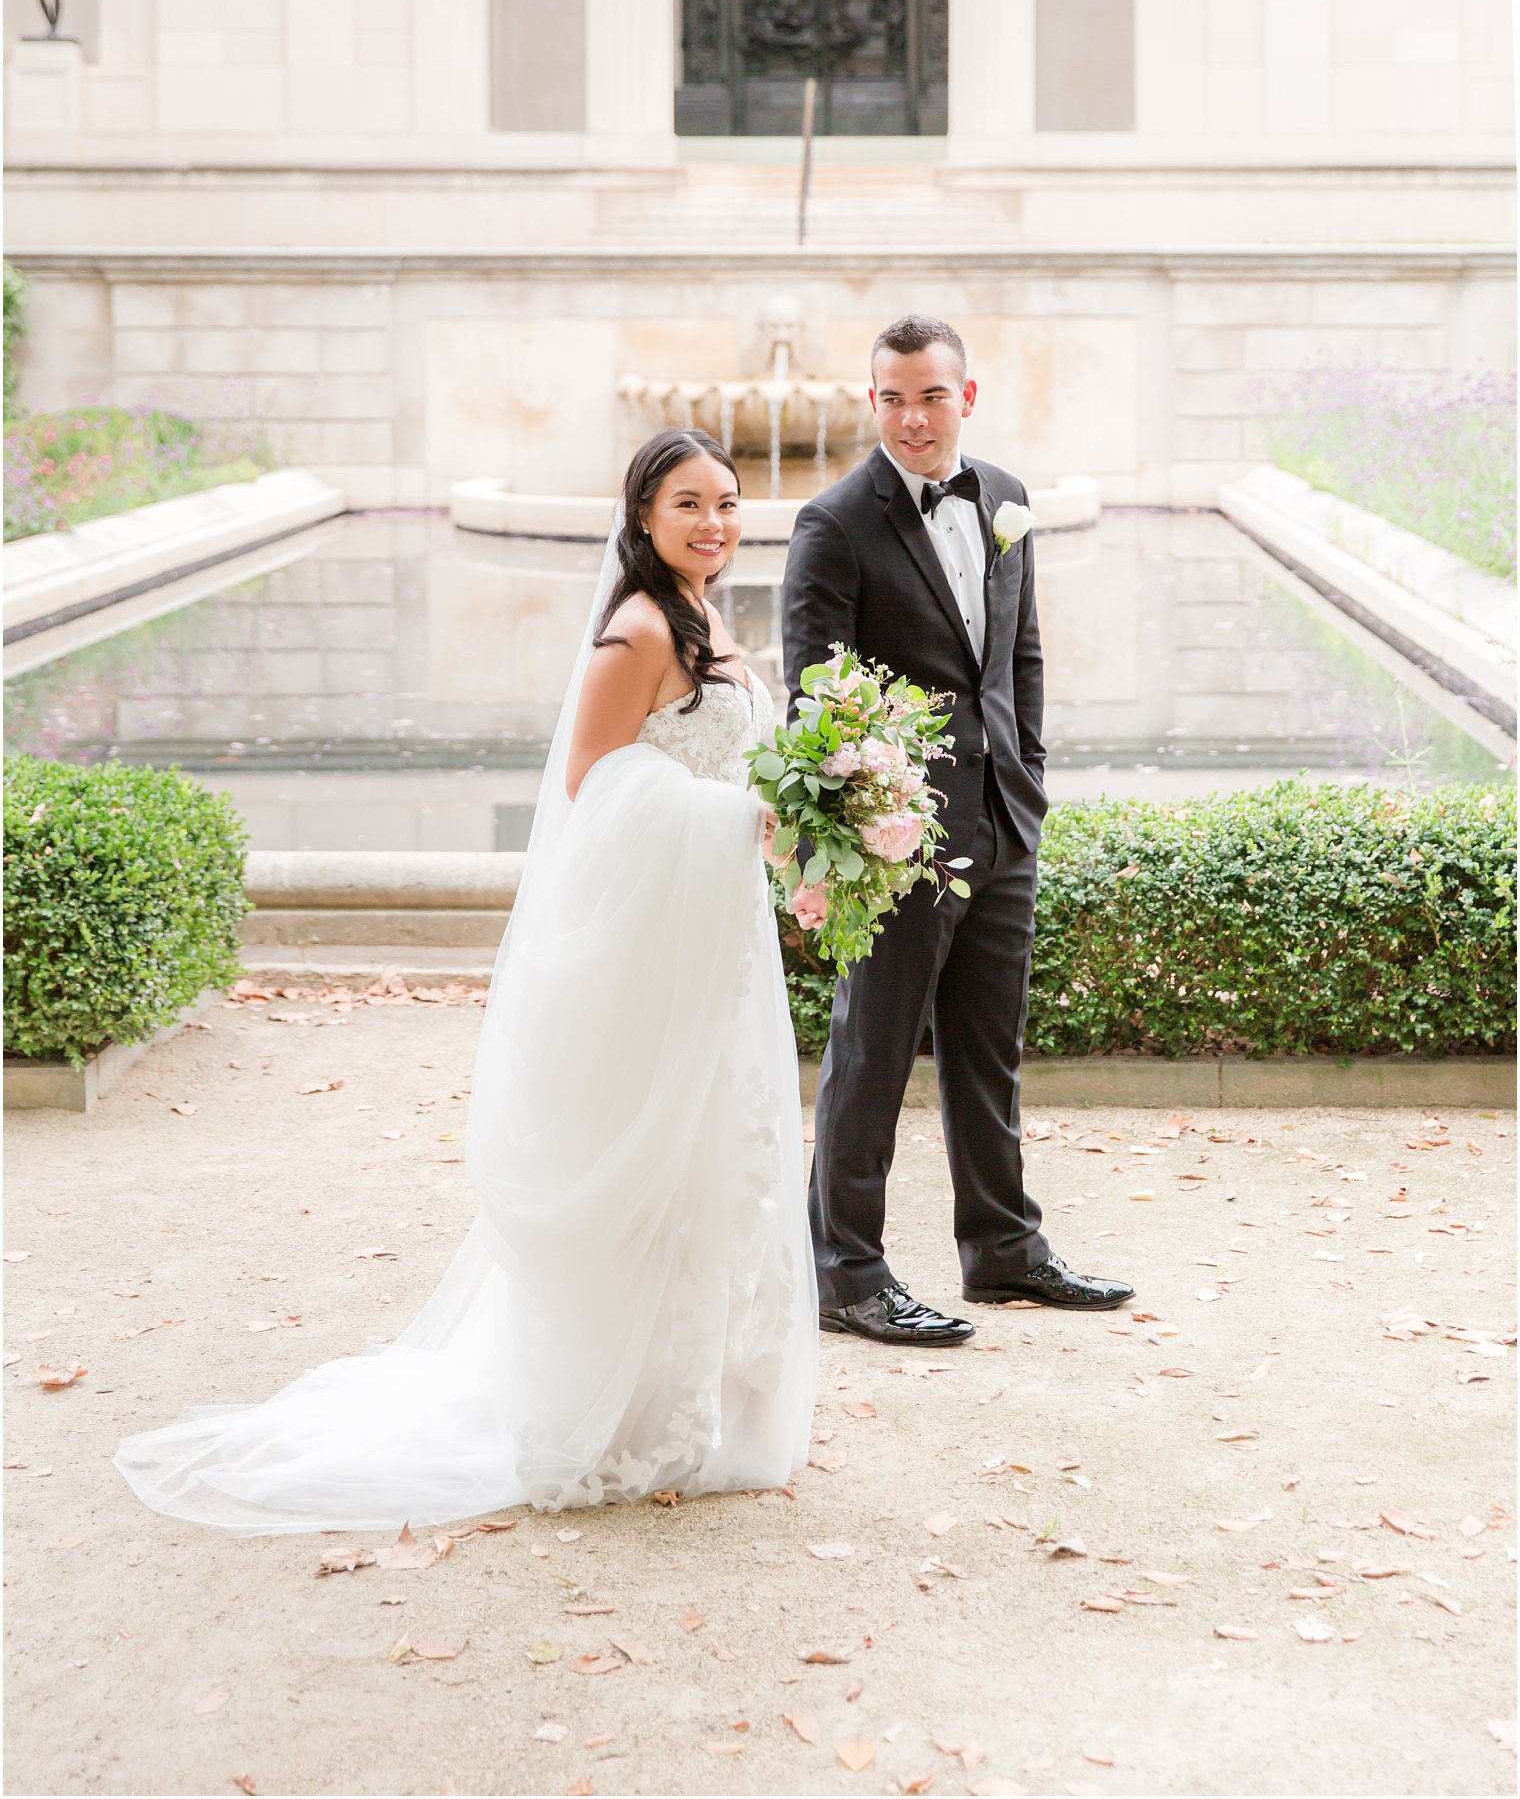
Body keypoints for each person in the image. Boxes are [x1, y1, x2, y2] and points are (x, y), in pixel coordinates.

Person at [115, 429, 817, 1531]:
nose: (714, 524)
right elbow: (595, 784)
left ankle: (698, 1400)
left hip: (713, 939)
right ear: (642, 518)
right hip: (655, 946)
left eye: (726, 504)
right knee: (656, 1162)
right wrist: (737, 819)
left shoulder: (704, 614)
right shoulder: (635, 630)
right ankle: (625, 1414)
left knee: (717, 1155)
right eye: (689, 505)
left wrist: (797, 833)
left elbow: (724, 761)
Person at [782, 313, 1134, 1347]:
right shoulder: (831, 525)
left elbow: (1014, 654)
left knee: (988, 1051)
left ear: (964, 397)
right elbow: (815, 700)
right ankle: (845, 1272)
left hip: (1000, 823)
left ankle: (1003, 1251)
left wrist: (1025, 777)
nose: (910, 417)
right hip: (897, 843)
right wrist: (867, 828)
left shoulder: (1005, 499)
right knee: (870, 1057)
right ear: (870, 401)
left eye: (929, 395)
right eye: (889, 397)